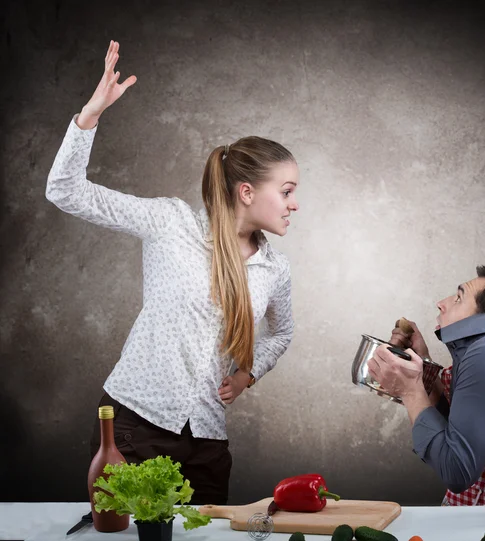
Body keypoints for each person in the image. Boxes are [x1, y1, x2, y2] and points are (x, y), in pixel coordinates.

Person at [46, 41, 300, 504]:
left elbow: (282, 334)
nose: (295, 203)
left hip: (206, 442)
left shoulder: (274, 268)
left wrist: (247, 373)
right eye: (286, 191)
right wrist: (90, 115)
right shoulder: (170, 222)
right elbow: (65, 191)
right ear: (246, 192)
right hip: (132, 430)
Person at [367, 265, 485, 506]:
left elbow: (457, 471)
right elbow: (466, 431)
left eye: (459, 298)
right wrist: (425, 371)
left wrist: (410, 390)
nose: (441, 303)